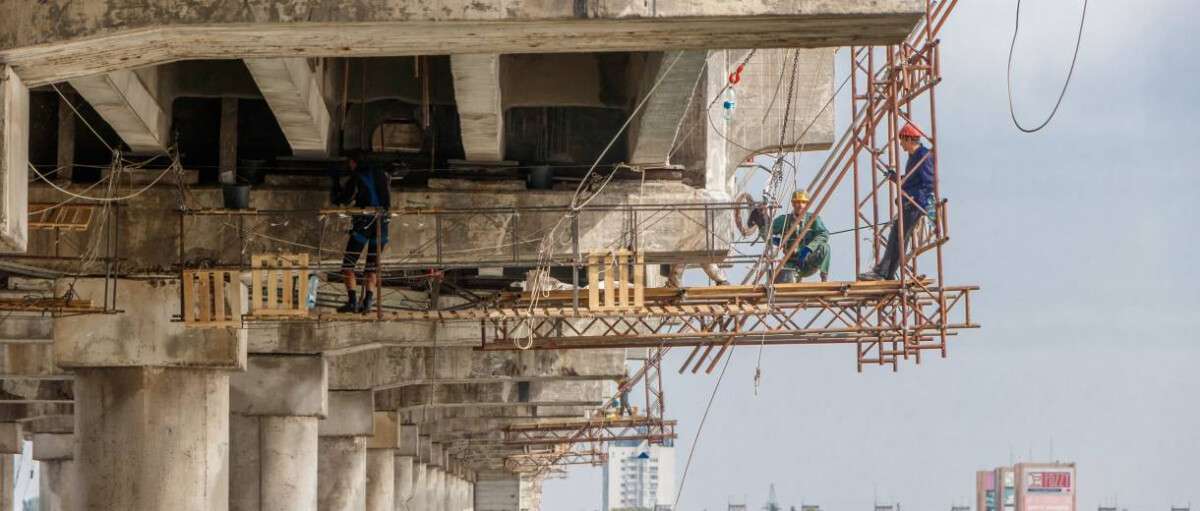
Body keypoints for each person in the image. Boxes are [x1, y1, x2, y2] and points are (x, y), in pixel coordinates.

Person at [858, 122, 934, 281]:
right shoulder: (913, 157)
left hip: (914, 204)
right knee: (899, 237)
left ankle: (882, 271)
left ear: (909, 139)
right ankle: (888, 273)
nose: (900, 144)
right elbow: (909, 180)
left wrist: (913, 198)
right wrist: (893, 177)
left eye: (902, 140)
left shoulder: (923, 155)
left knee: (898, 237)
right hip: (908, 203)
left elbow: (929, 184)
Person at [331, 152, 391, 313]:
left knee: (348, 266)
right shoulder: (382, 175)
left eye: (350, 163)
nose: (349, 166)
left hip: (364, 226)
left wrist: (335, 182)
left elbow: (343, 199)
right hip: (382, 227)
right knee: (371, 269)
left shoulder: (357, 177)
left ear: (354, 162)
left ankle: (352, 302)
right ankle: (368, 303)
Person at [768, 190, 830, 283]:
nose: (800, 205)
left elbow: (823, 234)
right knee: (782, 282)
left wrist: (808, 249)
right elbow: (767, 231)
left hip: (809, 261)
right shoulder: (784, 220)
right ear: (793, 203)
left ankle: (824, 276)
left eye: (803, 202)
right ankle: (795, 279)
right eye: (797, 202)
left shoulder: (812, 219)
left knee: (825, 247)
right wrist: (775, 240)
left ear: (807, 204)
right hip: (792, 262)